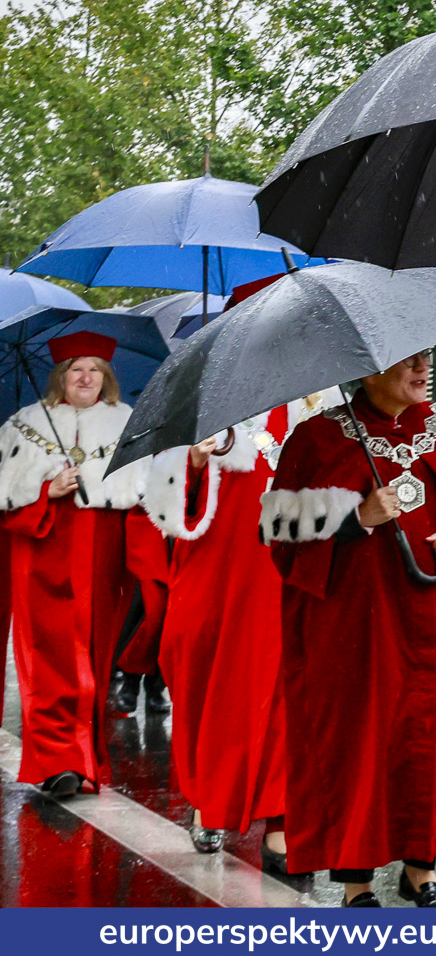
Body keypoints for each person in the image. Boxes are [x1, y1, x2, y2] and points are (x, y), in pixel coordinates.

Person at [263, 351, 436, 907]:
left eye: (427, 359)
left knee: (435, 741)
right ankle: (357, 884)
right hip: (359, 625)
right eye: (409, 361)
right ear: (369, 368)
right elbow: (282, 546)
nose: (424, 370)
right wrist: (357, 521)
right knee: (362, 743)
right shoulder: (315, 439)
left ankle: (422, 871)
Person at [146, 378, 335, 866]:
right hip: (215, 578)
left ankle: (282, 821)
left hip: (285, 574)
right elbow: (166, 508)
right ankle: (213, 797)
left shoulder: (323, 406)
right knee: (210, 688)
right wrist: (191, 461)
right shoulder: (205, 408)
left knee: (287, 696)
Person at [0, 331, 161, 798]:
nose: (86, 376)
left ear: (107, 377)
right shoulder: (25, 425)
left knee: (92, 660)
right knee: (48, 661)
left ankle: (85, 757)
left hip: (104, 559)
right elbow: (6, 500)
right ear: (61, 377)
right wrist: (43, 493)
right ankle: (58, 762)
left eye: (95, 368)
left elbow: (144, 500)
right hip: (42, 556)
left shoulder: (128, 424)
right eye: (76, 368)